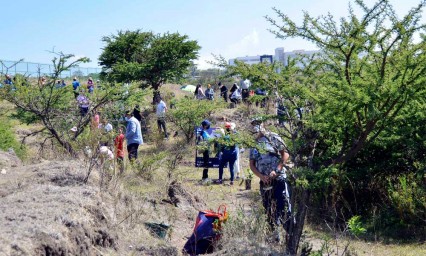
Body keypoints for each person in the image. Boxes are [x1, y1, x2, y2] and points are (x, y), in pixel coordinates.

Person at [249, 118, 292, 243]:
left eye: (258, 124)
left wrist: (277, 170)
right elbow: (252, 165)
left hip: (279, 179)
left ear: (263, 124)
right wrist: (261, 176)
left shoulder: (273, 137)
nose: (256, 127)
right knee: (268, 209)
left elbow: (285, 155)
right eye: (254, 125)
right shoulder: (254, 143)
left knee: (283, 207)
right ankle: (274, 238)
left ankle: (291, 236)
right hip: (265, 182)